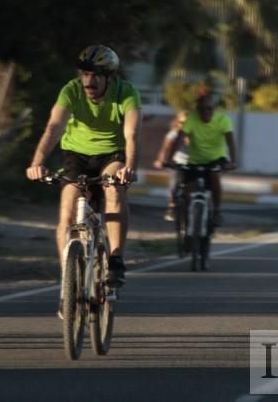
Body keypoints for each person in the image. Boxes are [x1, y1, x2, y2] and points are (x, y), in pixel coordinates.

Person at [26, 45, 142, 302]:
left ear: (109, 77)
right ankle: (68, 283)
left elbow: (131, 134)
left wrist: (129, 167)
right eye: (85, 74)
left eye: (96, 75)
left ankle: (115, 259)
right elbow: (54, 127)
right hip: (76, 155)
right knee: (67, 213)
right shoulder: (71, 90)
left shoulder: (126, 93)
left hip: (112, 154)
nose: (89, 81)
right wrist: (37, 163)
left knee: (113, 190)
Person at [157, 88, 237, 226]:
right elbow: (178, 139)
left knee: (215, 177)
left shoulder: (223, 121)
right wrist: (169, 159)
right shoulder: (191, 119)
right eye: (202, 109)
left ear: (214, 109)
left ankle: (217, 211)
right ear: (197, 109)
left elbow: (230, 142)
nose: (206, 112)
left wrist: (233, 161)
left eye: (209, 109)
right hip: (195, 160)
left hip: (215, 159)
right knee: (187, 189)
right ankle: (187, 224)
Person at [152, 110, 188, 221]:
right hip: (177, 162)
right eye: (181, 123)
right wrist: (161, 160)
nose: (183, 126)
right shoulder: (173, 134)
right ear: (177, 122)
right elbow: (165, 148)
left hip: (193, 163)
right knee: (174, 184)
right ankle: (172, 206)